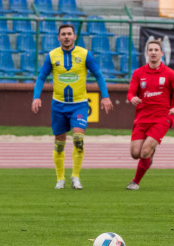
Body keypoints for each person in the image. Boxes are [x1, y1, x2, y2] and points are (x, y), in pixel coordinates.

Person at [31, 23, 114, 189]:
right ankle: (60, 178)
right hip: (58, 105)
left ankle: (75, 177)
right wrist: (36, 97)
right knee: (59, 144)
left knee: (78, 139)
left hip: (79, 105)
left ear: (75, 36)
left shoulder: (84, 54)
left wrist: (105, 97)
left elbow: (98, 74)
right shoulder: (52, 55)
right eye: (63, 34)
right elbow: (41, 77)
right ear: (59, 37)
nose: (66, 37)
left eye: (69, 34)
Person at [126, 39, 174, 190]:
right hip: (142, 117)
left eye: (156, 50)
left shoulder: (169, 74)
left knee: (145, 151)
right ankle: (150, 152)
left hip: (161, 118)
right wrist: (132, 98)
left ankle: (135, 182)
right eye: (150, 50)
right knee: (135, 153)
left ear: (161, 53)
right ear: (146, 53)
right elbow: (131, 92)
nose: (153, 52)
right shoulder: (139, 73)